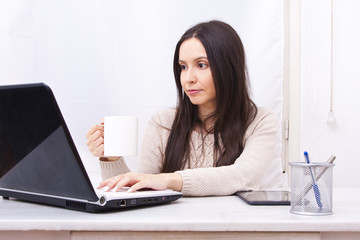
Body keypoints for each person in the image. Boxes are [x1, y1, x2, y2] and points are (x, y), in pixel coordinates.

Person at [86, 20, 283, 197]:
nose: (188, 78)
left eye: (202, 65)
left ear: (228, 68)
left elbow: (244, 177)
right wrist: (111, 158)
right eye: (183, 67)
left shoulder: (261, 121)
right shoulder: (163, 123)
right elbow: (140, 192)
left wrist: (169, 180)